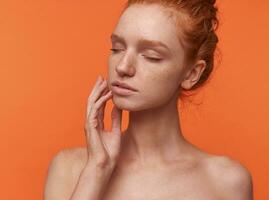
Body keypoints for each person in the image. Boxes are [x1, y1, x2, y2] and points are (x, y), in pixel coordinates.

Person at [44, 0, 253, 199]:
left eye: (151, 56)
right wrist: (97, 170)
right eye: (117, 48)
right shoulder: (70, 169)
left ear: (191, 74)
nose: (123, 67)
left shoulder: (226, 182)